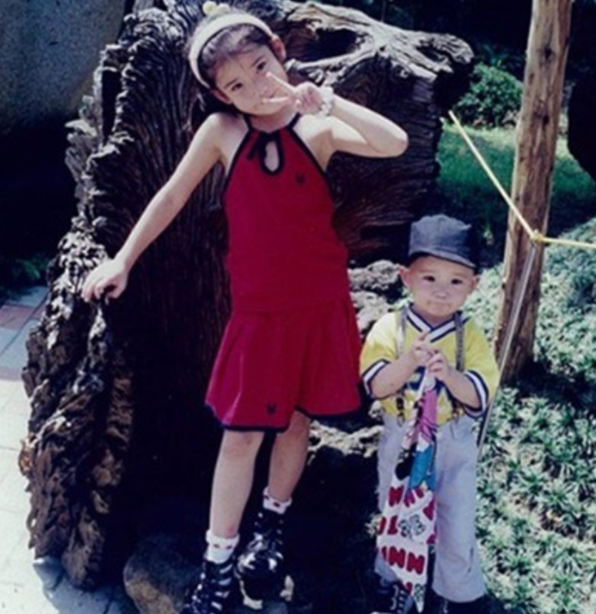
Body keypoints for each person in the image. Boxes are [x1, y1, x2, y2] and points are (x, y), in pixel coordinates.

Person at [81, 4, 408, 613]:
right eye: (235, 85)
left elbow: (396, 143)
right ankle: (217, 562)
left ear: (280, 53)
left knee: (296, 421)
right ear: (216, 94)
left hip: (318, 305)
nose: (255, 89)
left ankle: (272, 527)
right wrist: (122, 261)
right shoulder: (223, 134)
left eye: (261, 67)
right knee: (239, 437)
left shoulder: (318, 128)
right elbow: (172, 195)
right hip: (258, 316)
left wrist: (328, 103)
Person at [360, 214, 499, 614]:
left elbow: (479, 393)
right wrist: (407, 363)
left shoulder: (468, 333)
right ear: (406, 278)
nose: (442, 292)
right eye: (429, 278)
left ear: (474, 285)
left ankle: (458, 592)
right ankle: (393, 583)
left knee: (456, 517)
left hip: (452, 439)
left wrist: (449, 374)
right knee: (396, 508)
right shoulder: (391, 326)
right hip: (401, 436)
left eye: (456, 281)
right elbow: (376, 385)